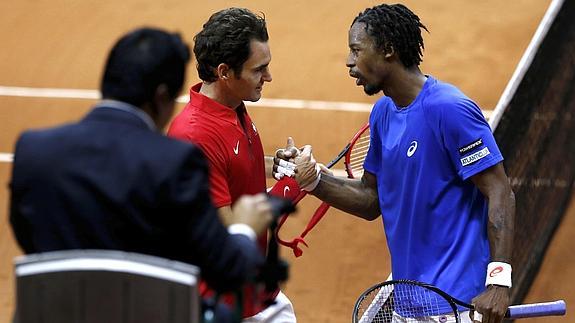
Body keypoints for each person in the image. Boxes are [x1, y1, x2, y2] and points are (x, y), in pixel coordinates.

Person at [9, 27, 275, 319]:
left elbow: (25, 231)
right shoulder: (175, 162)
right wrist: (244, 228)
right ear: (161, 97)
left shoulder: (33, 150)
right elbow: (227, 267)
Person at [291, 4, 515, 323]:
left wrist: (498, 282)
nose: (349, 61)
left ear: (389, 51)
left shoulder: (450, 109)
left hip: (455, 305)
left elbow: (500, 191)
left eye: (357, 50)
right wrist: (314, 182)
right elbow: (371, 199)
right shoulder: (382, 113)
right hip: (407, 306)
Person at [167, 8, 297, 323]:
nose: (268, 77)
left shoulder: (230, 106)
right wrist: (291, 185)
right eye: (259, 69)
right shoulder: (195, 136)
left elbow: (231, 166)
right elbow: (229, 234)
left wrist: (275, 165)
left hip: (257, 291)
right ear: (225, 72)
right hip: (226, 306)